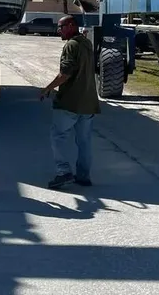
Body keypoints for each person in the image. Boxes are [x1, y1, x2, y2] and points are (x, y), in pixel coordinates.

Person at [40, 15, 101, 189]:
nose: (59, 30)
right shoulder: (86, 43)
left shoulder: (71, 45)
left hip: (70, 102)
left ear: (72, 25)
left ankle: (63, 172)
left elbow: (65, 73)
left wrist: (47, 88)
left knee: (58, 136)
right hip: (88, 103)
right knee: (84, 141)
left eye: (62, 27)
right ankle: (83, 176)